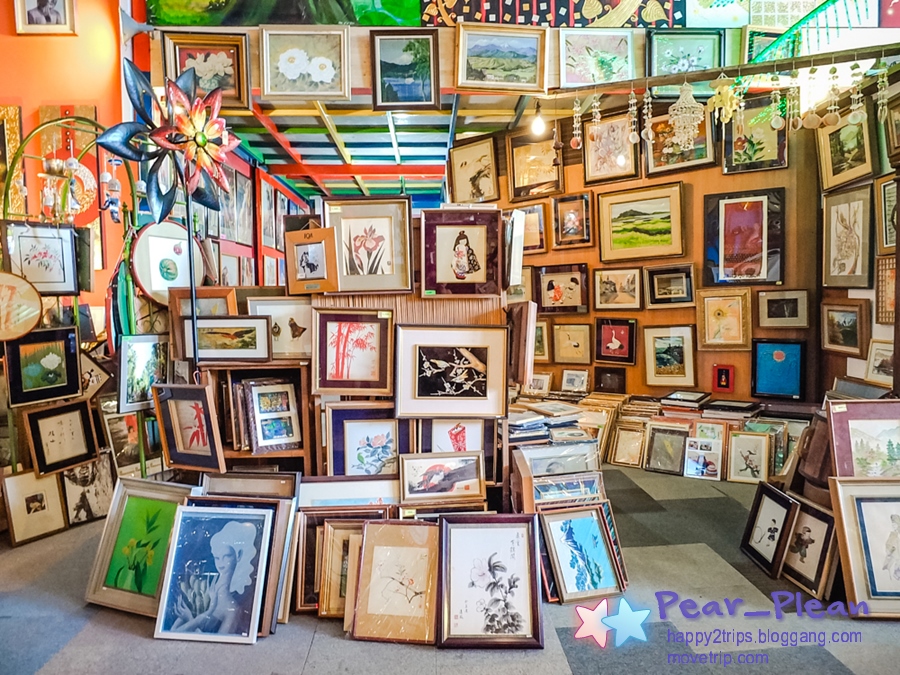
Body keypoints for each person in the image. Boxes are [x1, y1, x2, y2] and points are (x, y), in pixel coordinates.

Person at [171, 520, 257, 635]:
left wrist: (191, 619)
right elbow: (172, 631)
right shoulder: (206, 588)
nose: (221, 563)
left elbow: (217, 642)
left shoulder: (233, 609)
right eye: (217, 558)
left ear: (238, 555)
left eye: (227, 556)